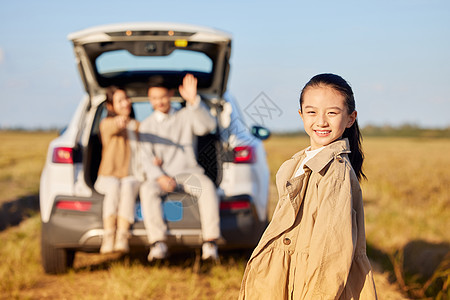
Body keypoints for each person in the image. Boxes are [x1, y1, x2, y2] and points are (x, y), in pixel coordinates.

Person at [239, 74, 378, 299]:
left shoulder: (334, 171)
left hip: (310, 286)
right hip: (291, 278)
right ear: (301, 115)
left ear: (351, 118)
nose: (321, 121)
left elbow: (331, 253)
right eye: (312, 112)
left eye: (332, 113)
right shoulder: (299, 161)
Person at [139, 74, 221, 262]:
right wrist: (159, 177)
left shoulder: (186, 115)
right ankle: (158, 243)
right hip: (162, 178)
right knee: (146, 190)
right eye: (154, 98)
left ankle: (210, 243)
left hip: (189, 174)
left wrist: (194, 101)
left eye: (162, 96)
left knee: (207, 187)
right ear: (150, 100)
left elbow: (208, 126)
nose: (159, 102)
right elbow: (145, 158)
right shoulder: (146, 126)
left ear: (170, 94)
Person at [95, 87, 142, 254]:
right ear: (110, 106)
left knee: (128, 185)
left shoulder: (136, 126)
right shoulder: (106, 124)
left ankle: (122, 235)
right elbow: (113, 126)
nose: (126, 103)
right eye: (120, 101)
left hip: (132, 176)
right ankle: (109, 235)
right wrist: (121, 121)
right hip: (108, 176)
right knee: (114, 186)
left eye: (127, 99)